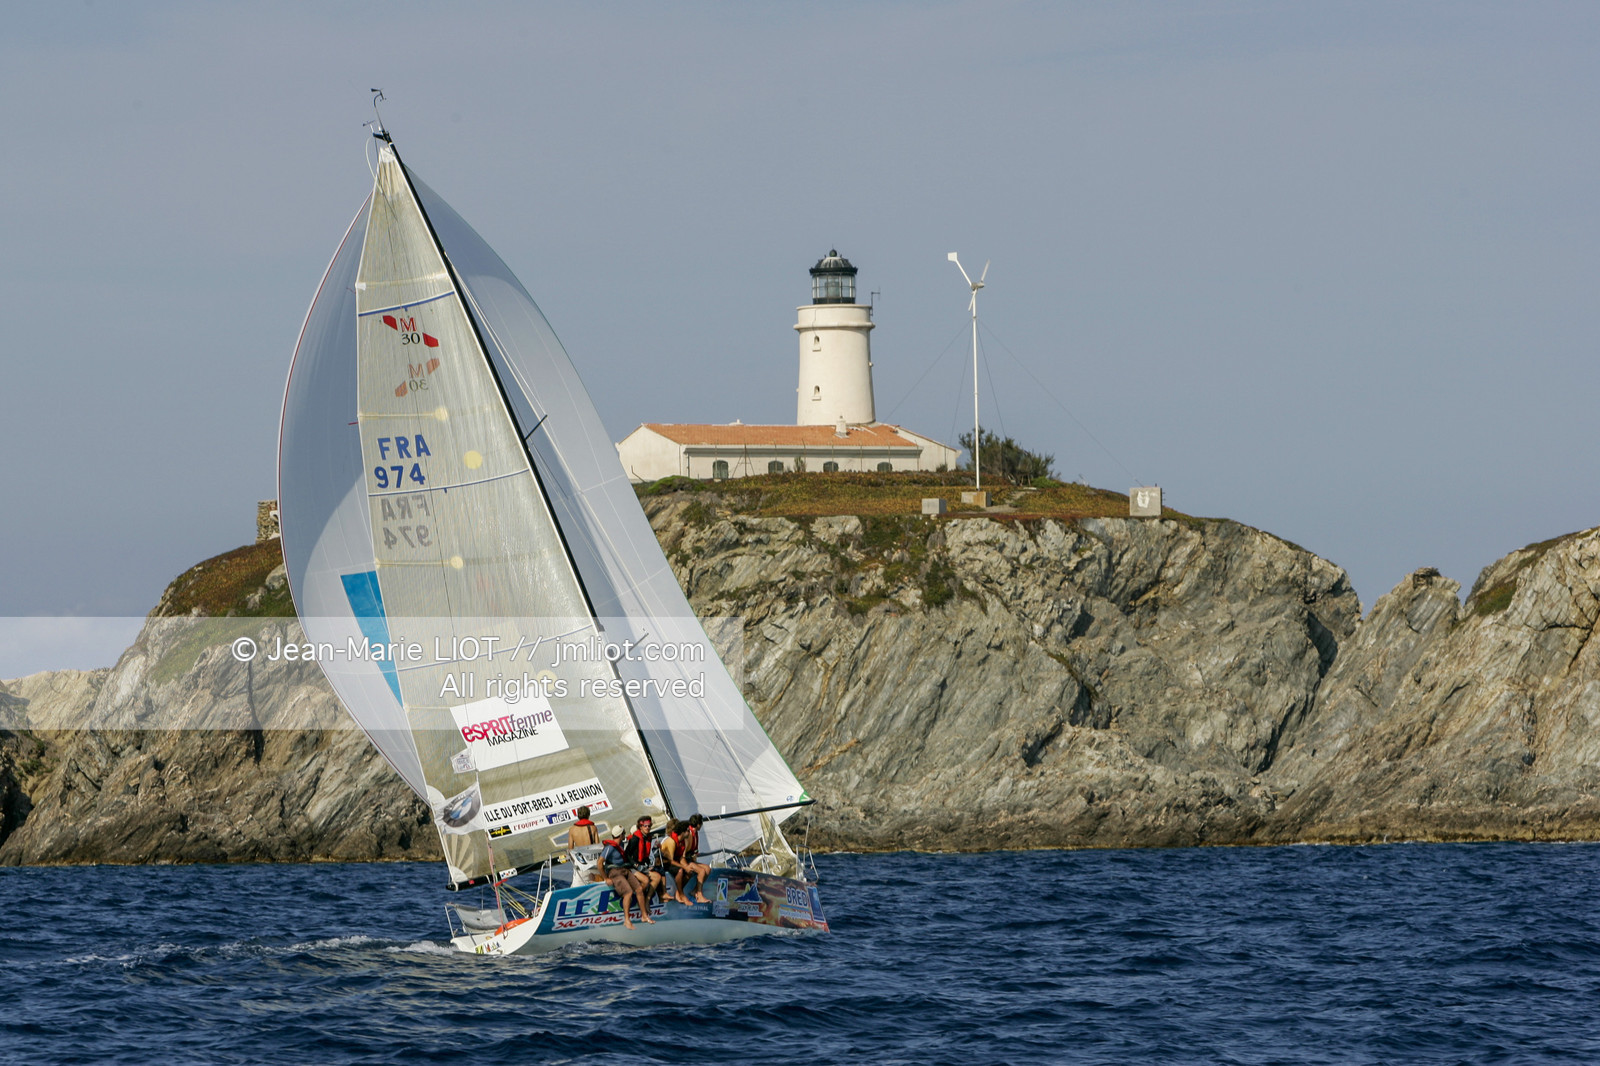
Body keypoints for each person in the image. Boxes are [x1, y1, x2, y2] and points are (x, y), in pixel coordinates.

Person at [598, 826, 652, 928]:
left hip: (624, 869)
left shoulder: (621, 844)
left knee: (639, 889)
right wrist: (606, 878)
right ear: (620, 835)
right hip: (615, 872)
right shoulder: (609, 847)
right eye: (623, 833)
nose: (625, 834)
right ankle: (627, 920)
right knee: (628, 893)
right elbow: (599, 863)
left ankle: (644, 915)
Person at [624, 816, 669, 908]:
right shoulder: (635, 839)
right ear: (640, 827)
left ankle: (649, 899)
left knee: (659, 874)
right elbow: (626, 855)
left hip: (642, 866)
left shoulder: (647, 838)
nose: (647, 828)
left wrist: (655, 850)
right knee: (647, 880)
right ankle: (640, 900)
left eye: (649, 826)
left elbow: (645, 855)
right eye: (645, 826)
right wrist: (635, 865)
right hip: (633, 867)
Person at [678, 813, 712, 904]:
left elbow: (694, 851)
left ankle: (695, 891)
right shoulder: (688, 834)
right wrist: (686, 866)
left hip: (689, 859)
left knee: (707, 869)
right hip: (683, 860)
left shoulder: (695, 833)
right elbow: (683, 854)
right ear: (698, 824)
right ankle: (699, 895)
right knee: (702, 871)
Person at [657, 820, 691, 905]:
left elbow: (680, 857)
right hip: (664, 863)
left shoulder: (682, 841)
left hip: (671, 861)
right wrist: (683, 867)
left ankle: (678, 892)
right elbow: (670, 860)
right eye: (688, 830)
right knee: (680, 870)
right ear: (682, 832)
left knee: (689, 871)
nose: (690, 832)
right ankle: (681, 894)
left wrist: (687, 866)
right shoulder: (671, 841)